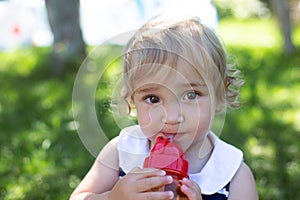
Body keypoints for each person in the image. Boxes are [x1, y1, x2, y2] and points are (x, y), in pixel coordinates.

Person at [70, 15, 258, 200]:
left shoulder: (233, 174)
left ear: (220, 95)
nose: (172, 117)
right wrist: (112, 197)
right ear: (132, 99)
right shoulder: (120, 151)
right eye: (153, 98)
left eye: (191, 95)